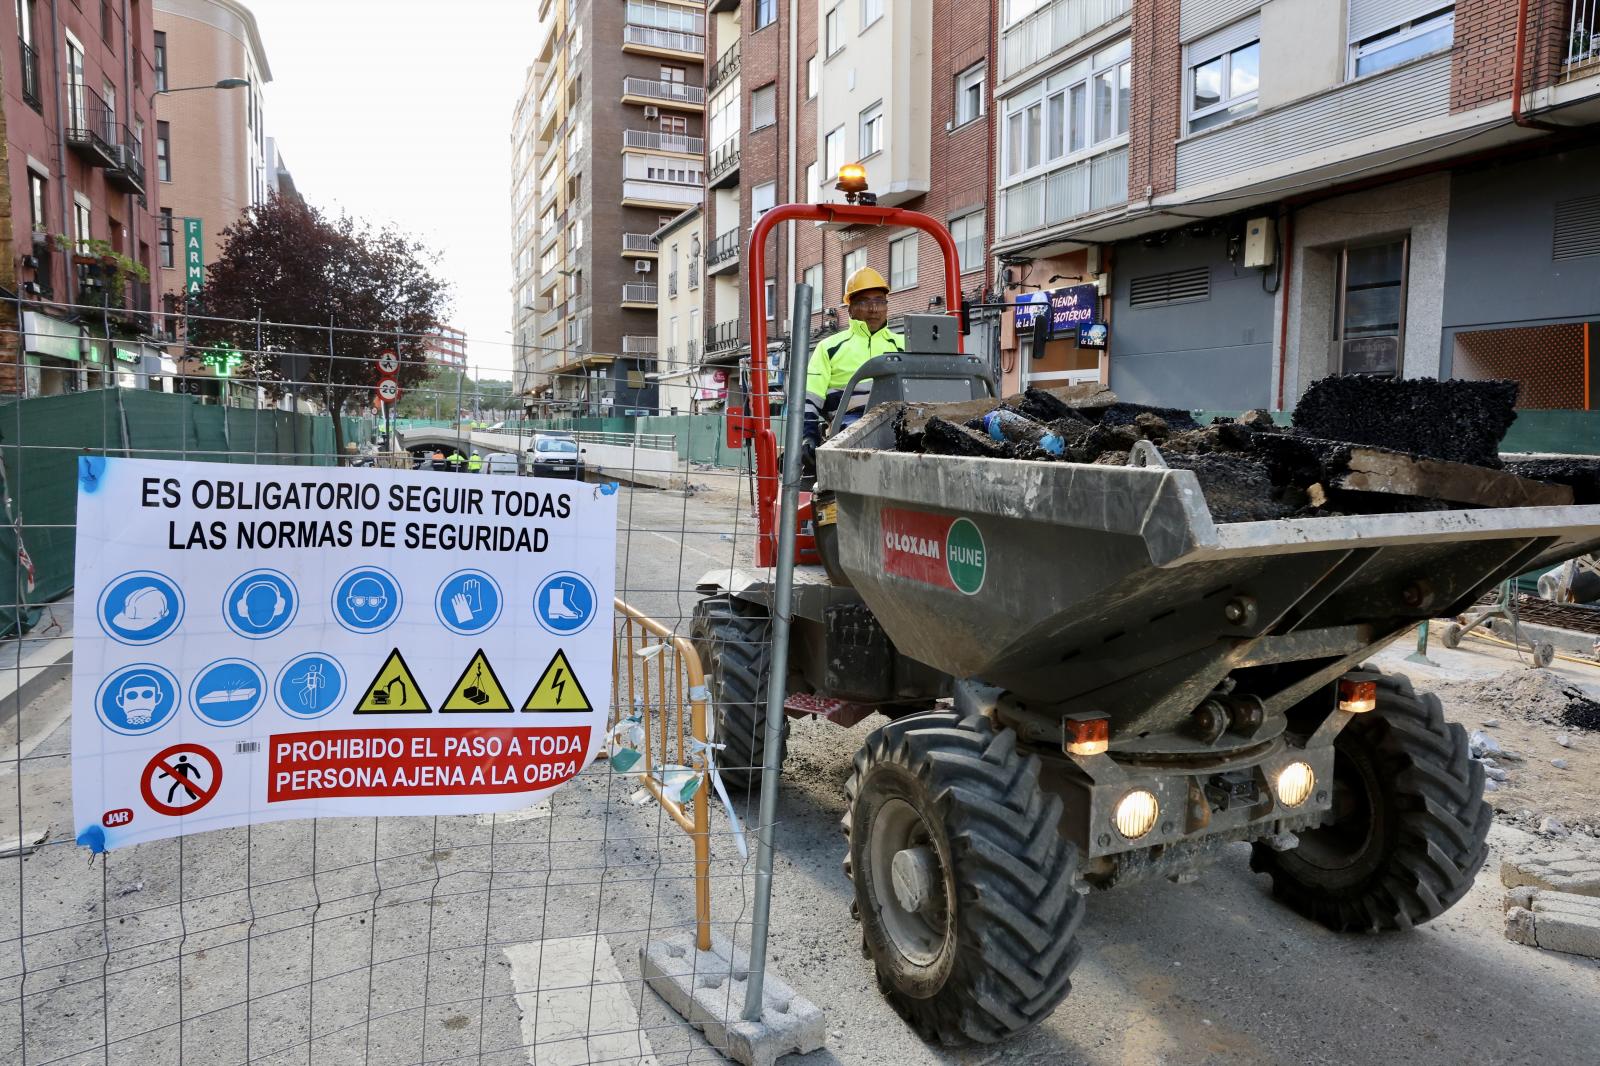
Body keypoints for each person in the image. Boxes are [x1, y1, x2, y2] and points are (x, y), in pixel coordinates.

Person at [803, 267, 904, 451]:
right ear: (850, 309)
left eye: (879, 301)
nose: (873, 309)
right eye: (864, 302)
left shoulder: (904, 345)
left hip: (900, 422)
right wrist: (808, 437)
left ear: (887, 306)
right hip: (848, 427)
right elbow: (809, 399)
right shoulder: (829, 348)